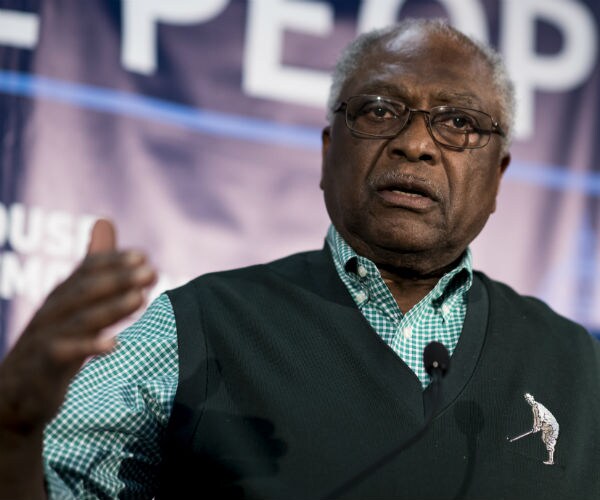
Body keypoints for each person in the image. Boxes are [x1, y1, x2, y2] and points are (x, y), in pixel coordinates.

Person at [1, 18, 599, 500]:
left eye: (458, 123)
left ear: (497, 179)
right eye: (379, 111)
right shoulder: (198, 325)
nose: (415, 144)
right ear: (326, 153)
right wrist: (13, 434)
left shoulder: (579, 368)